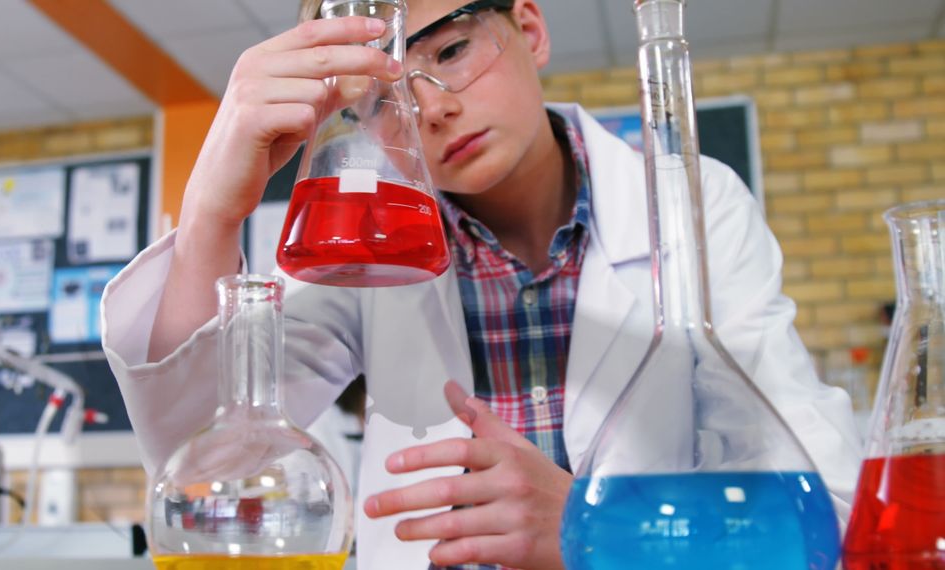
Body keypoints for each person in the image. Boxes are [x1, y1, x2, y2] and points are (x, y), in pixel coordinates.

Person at [101, 0, 863, 568]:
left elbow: (828, 509)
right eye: (383, 97)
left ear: (528, 28)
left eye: (455, 49)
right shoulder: (366, 243)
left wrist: (592, 529)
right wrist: (212, 211)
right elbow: (205, 466)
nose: (432, 106)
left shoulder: (695, 205)